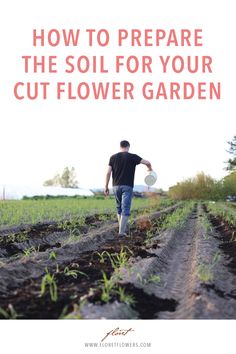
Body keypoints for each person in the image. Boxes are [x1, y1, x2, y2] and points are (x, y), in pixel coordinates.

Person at [104, 140, 153, 236]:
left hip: (115, 186)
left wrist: (106, 186)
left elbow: (108, 172)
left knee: (119, 208)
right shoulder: (132, 156)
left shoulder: (113, 157)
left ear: (120, 146)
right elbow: (147, 162)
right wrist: (150, 169)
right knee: (125, 208)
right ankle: (121, 232)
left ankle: (121, 229)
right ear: (128, 147)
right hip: (127, 186)